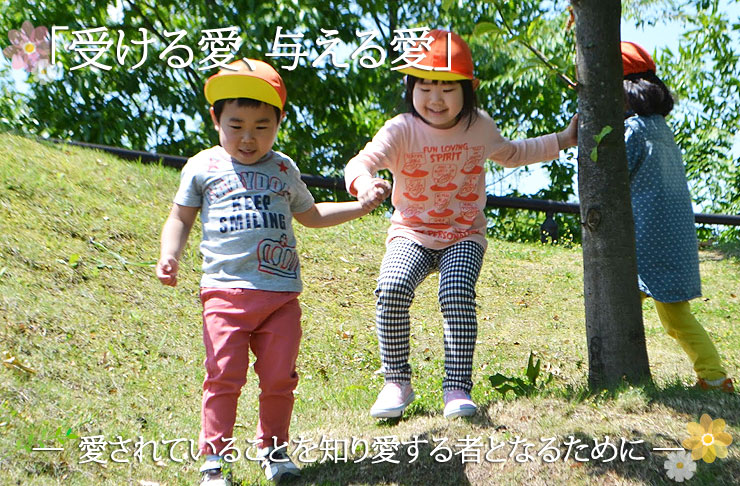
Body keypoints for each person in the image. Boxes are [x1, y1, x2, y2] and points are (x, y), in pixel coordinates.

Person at [156, 59, 389, 485]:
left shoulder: (283, 169)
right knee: (223, 376)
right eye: (236, 125)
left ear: (279, 122)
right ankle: (214, 462)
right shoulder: (202, 167)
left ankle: (274, 451)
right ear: (216, 120)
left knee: (280, 379)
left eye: (262, 126)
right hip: (224, 294)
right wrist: (170, 254)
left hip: (280, 298)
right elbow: (180, 218)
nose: (249, 137)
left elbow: (312, 215)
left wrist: (360, 206)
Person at [344, 29, 578, 419]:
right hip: (412, 232)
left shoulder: (479, 127)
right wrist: (364, 183)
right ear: (411, 87)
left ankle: (456, 389)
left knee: (455, 293)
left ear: (468, 90)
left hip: (464, 234)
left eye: (448, 88)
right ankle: (396, 382)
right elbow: (361, 162)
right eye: (425, 87)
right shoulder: (400, 129)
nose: (435, 98)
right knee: (392, 288)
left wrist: (563, 139)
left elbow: (513, 153)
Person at [621, 41, 734, 393]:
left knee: (668, 317)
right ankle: (711, 375)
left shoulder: (633, 130)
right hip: (669, 239)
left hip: (649, 244)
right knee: (669, 316)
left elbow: (613, 177)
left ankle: (714, 376)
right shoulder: (659, 128)